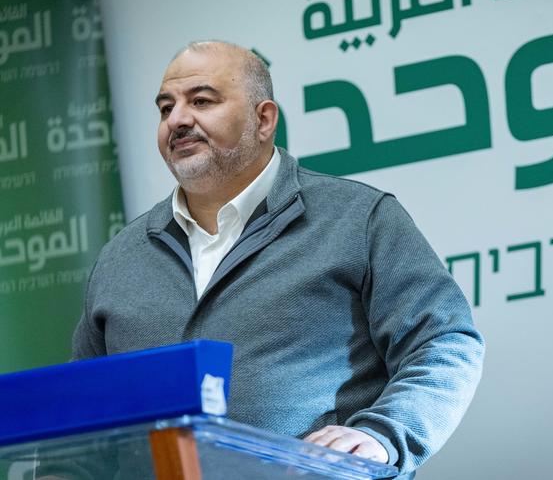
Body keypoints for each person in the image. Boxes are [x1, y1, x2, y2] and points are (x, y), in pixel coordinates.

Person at [71, 41, 484, 478]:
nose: (177, 120)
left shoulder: (359, 218)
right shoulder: (120, 257)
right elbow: (79, 413)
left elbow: (445, 343)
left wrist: (383, 435)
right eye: (165, 108)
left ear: (263, 119)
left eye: (201, 101)